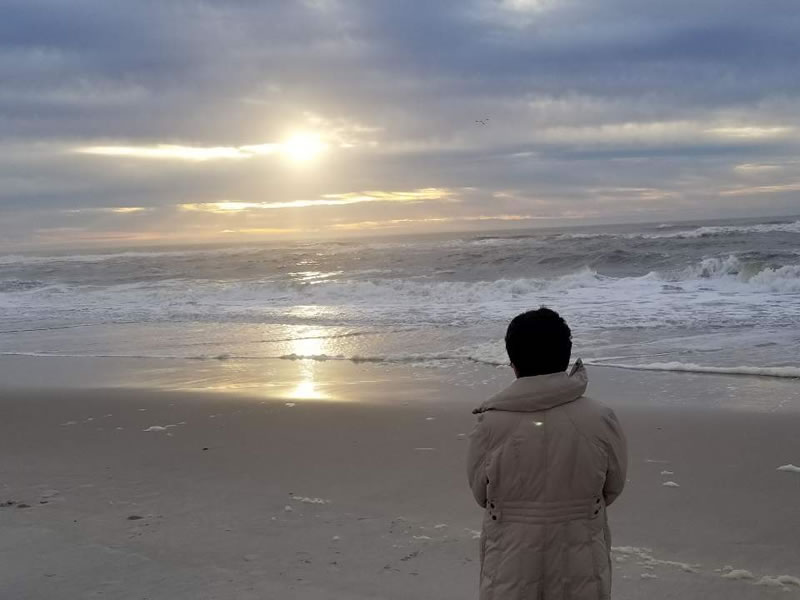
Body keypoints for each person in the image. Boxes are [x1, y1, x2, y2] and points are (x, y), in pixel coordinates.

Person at [467, 307, 627, 600]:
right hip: (581, 559)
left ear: (513, 363)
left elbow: (481, 494)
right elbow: (613, 486)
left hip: (509, 563)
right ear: (565, 358)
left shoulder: (489, 423)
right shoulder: (600, 417)